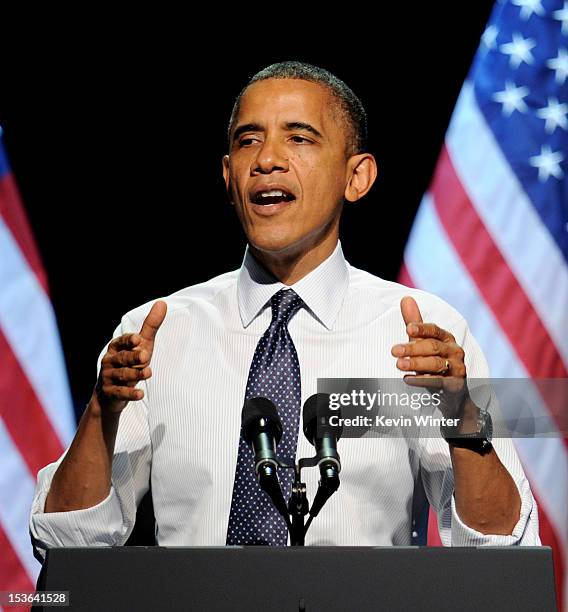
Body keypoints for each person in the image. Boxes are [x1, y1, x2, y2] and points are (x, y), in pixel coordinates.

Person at [29, 62, 539, 558]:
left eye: (299, 138)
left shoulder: (424, 334)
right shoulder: (157, 332)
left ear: (356, 177)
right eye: (248, 140)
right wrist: (101, 411)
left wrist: (462, 418)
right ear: (228, 176)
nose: (266, 159)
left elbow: (499, 544)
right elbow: (66, 545)